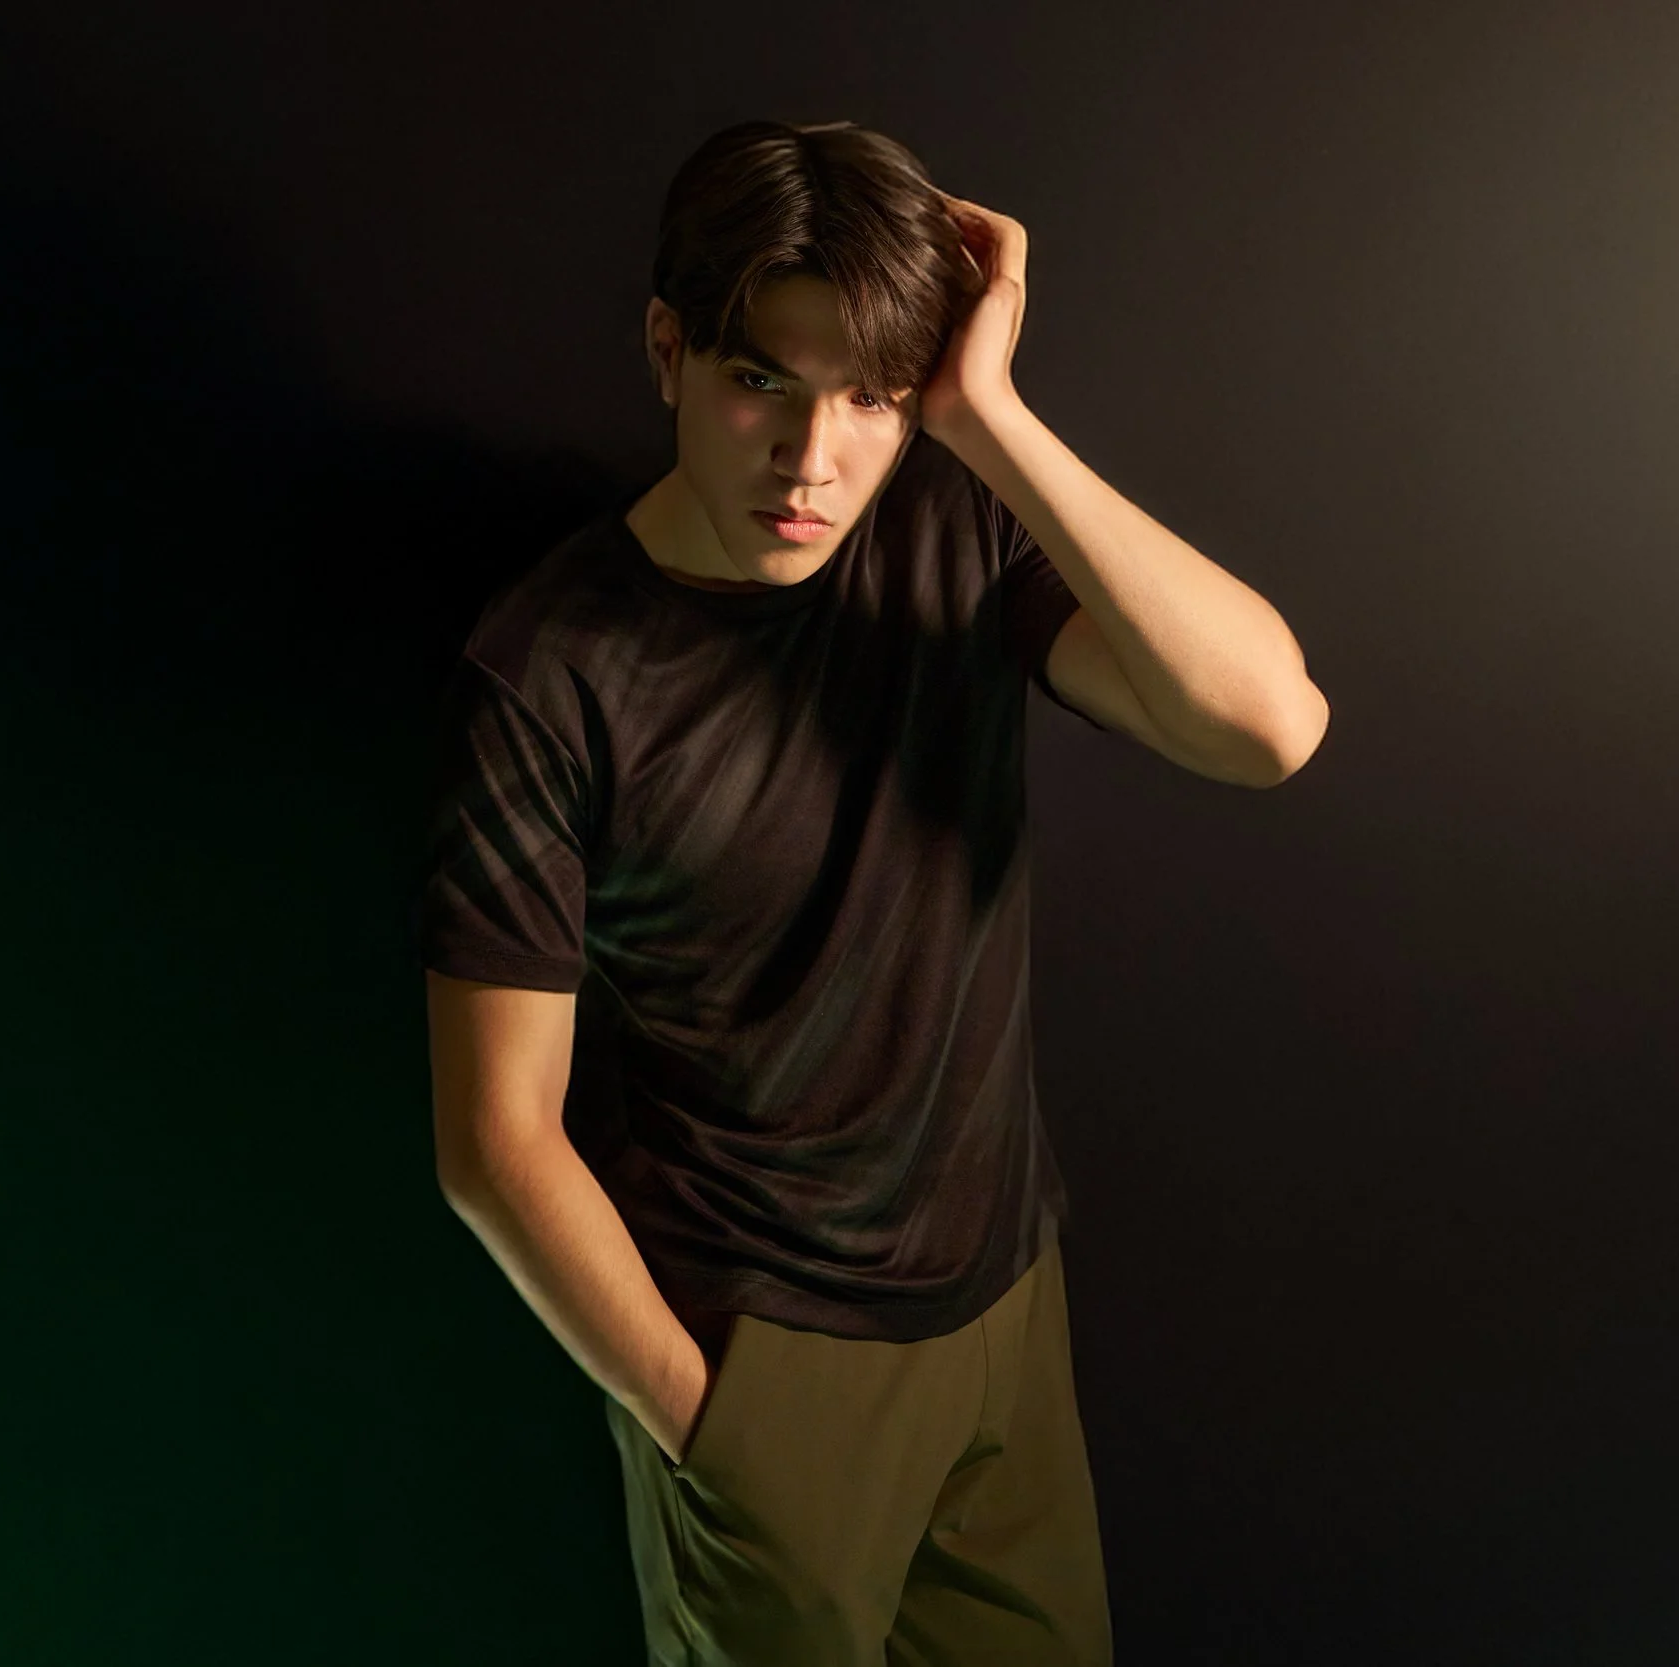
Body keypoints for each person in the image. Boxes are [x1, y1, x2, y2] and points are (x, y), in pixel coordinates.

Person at [416, 117, 1327, 1666]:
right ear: (668, 351)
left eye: (869, 397)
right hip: (765, 1362)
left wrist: (987, 413)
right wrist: (710, 1424)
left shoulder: (947, 516)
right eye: (761, 379)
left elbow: (1270, 723)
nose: (811, 458)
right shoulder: (553, 670)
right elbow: (496, 1139)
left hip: (1001, 1312)